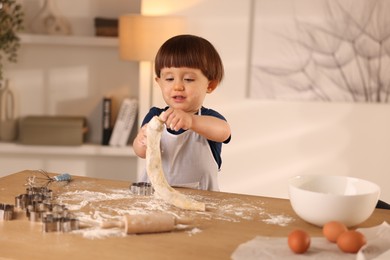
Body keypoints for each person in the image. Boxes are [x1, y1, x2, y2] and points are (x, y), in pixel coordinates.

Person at [133, 34, 231, 191]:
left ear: (210, 85)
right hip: (153, 200)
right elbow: (141, 153)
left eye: (189, 79)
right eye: (170, 79)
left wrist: (192, 121)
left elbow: (224, 132)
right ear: (159, 82)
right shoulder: (155, 116)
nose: (177, 86)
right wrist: (141, 141)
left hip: (201, 204)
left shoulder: (208, 119)